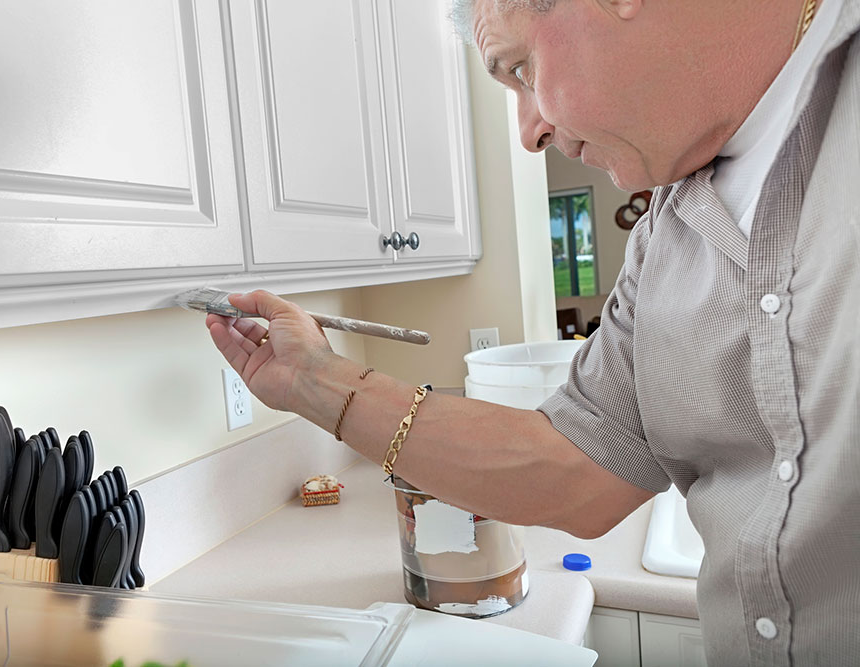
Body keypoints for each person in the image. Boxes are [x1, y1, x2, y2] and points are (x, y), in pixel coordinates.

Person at [207, 0, 859, 663]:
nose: (529, 132)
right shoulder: (664, 233)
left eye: (520, 67)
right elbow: (577, 466)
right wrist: (314, 380)